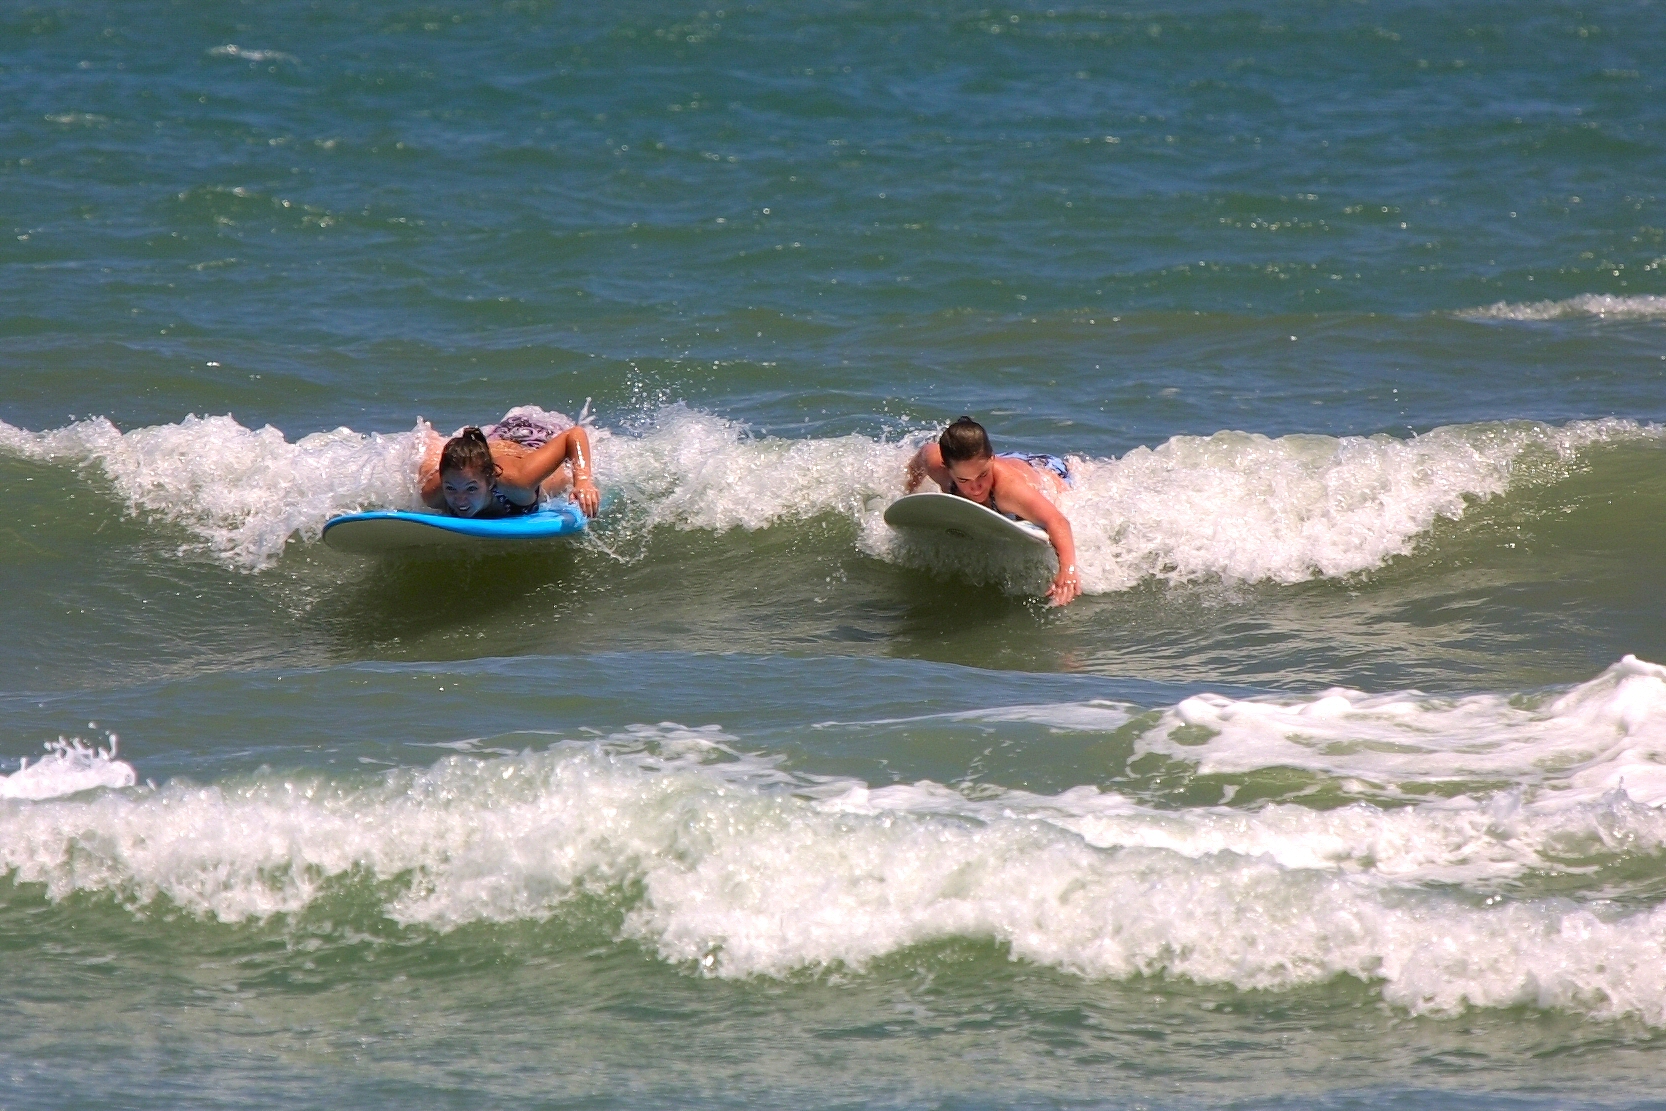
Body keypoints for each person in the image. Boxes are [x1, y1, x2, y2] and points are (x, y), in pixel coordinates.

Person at [905, 416, 1081, 606]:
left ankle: (1080, 466)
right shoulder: (938, 467)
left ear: (991, 459)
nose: (976, 488)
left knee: (1056, 495)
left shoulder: (1008, 490)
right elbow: (923, 455)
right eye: (964, 480)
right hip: (999, 459)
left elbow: (1057, 521)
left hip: (1046, 469)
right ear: (947, 469)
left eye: (982, 476)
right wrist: (909, 489)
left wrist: (1068, 569)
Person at [418, 406, 600, 519]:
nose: (459, 500)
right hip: (493, 441)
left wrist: (583, 481)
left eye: (471, 489)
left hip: (535, 437)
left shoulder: (519, 482)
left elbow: (574, 434)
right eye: (450, 488)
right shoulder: (433, 492)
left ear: (490, 482)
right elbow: (429, 458)